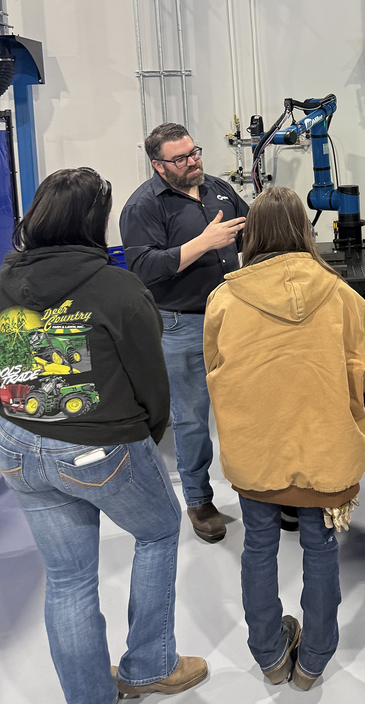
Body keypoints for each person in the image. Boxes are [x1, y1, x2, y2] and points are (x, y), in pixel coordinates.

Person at [0, 168, 206, 704]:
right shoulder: (118, 288)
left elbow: (13, 367)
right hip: (98, 448)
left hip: (18, 443)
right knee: (158, 531)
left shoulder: (5, 281)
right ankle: (149, 666)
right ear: (94, 222)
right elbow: (151, 383)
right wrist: (146, 437)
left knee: (67, 580)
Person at [203, 186, 365, 691]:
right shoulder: (344, 297)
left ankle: (270, 656)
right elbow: (360, 378)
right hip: (327, 448)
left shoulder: (224, 299)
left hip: (256, 449)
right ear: (304, 229)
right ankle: (314, 661)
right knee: (321, 548)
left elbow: (214, 372)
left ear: (252, 233)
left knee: (258, 546)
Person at [120, 123, 249, 543]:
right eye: (180, 159)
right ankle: (198, 500)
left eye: (194, 152)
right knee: (191, 418)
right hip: (181, 323)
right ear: (158, 165)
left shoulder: (218, 189)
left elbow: (250, 230)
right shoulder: (143, 206)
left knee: (248, 406)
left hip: (233, 315)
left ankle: (261, 489)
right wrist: (205, 242)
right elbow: (143, 268)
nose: (192, 162)